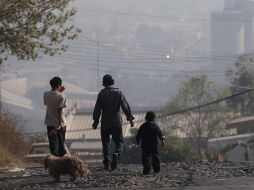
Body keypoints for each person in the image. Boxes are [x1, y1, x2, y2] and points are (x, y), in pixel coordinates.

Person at [92, 74, 134, 170]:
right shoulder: (118, 92)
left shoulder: (101, 94)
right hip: (116, 122)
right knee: (119, 141)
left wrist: (95, 121)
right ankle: (117, 153)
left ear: (104, 84)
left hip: (105, 123)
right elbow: (125, 107)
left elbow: (97, 109)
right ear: (113, 82)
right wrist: (130, 119)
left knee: (105, 143)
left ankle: (107, 162)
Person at [44, 76, 67, 157]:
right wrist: (59, 124)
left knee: (53, 145)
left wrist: (59, 91)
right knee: (61, 145)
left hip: (50, 123)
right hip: (60, 124)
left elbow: (48, 101)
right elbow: (60, 111)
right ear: (59, 85)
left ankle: (55, 162)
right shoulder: (62, 96)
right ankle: (61, 163)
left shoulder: (46, 94)